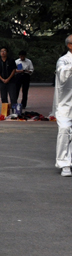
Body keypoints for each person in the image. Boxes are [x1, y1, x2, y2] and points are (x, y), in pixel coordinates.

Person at [54, 34, 72, 177]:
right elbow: (62, 74)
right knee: (65, 130)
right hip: (65, 105)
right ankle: (64, 163)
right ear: (70, 45)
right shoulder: (63, 60)